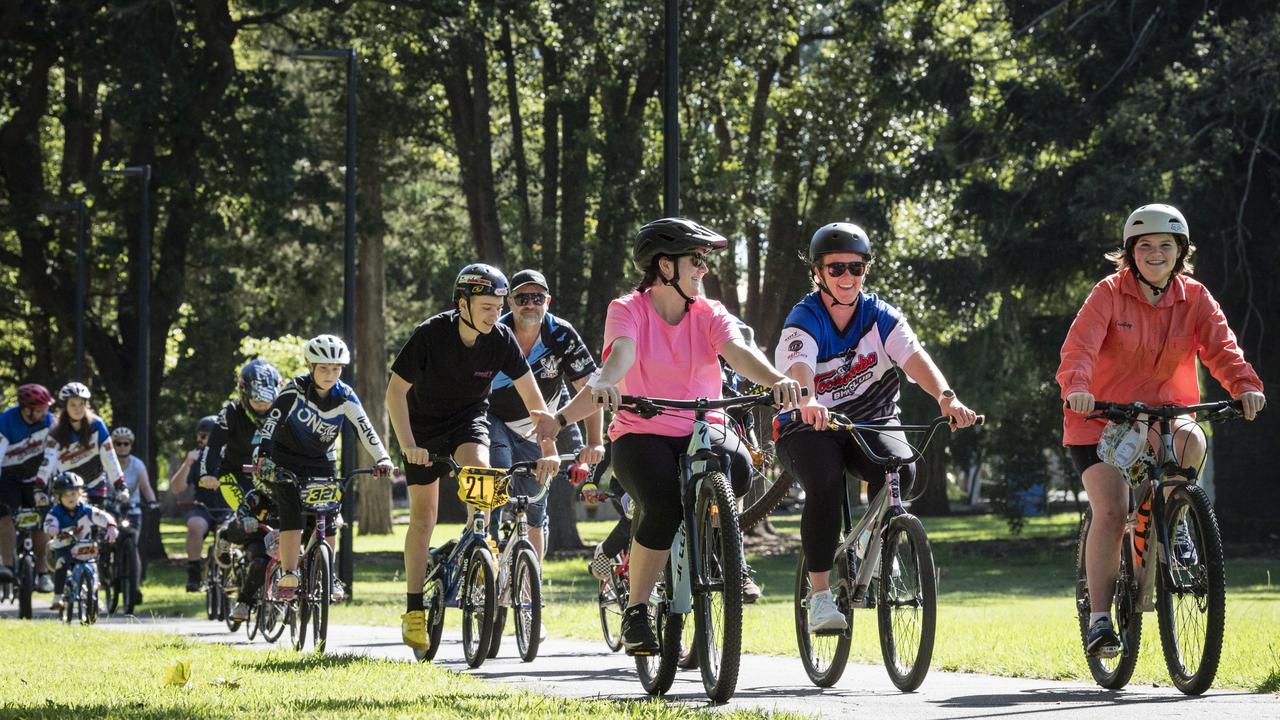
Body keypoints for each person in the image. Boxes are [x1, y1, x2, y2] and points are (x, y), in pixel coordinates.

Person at [546, 218, 804, 655]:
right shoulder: (627, 309)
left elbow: (738, 352)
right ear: (665, 266)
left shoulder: (709, 312)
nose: (704, 269)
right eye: (696, 260)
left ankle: (718, 553)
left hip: (704, 428)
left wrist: (777, 379)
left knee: (739, 468)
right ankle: (637, 611)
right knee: (662, 505)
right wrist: (606, 385)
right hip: (640, 432)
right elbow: (620, 355)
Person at [1057, 203, 1265, 658]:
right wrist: (1077, 388)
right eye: (1145, 246)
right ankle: (1099, 619)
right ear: (1131, 252)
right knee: (1111, 512)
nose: (1155, 253)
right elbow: (1080, 350)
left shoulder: (1195, 297)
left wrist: (1245, 385)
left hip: (1165, 415)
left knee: (1192, 439)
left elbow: (1223, 348)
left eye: (1165, 246)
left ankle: (1177, 516)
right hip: (1101, 420)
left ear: (1180, 251)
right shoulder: (1108, 294)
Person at [772, 222, 977, 634]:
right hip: (808, 426)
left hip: (870, 420)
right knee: (826, 483)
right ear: (817, 273)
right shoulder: (804, 317)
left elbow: (914, 357)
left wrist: (946, 397)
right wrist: (809, 400)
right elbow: (799, 367)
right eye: (836, 269)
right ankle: (822, 597)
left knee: (905, 469)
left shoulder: (880, 315)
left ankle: (875, 539)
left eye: (856, 267)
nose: (848, 277)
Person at [386, 263, 561, 655]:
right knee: (424, 517)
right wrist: (409, 443)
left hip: (468, 420)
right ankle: (415, 609)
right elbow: (395, 393)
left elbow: (534, 399)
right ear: (462, 303)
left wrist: (548, 446)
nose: (495, 314)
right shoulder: (431, 334)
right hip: (423, 428)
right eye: (486, 306)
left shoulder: (500, 337)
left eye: (499, 305)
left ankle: (477, 544)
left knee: (482, 474)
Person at [256, 334, 394, 601]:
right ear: (310, 366)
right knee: (292, 512)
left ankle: (327, 574)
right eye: (323, 368)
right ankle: (289, 573)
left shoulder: (345, 396)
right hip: (287, 460)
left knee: (329, 516)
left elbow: (366, 430)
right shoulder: (294, 390)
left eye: (336, 369)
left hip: (322, 461)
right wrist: (264, 457)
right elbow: (271, 425)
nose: (330, 374)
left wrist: (383, 459)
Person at [486, 268, 605, 558]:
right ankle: (484, 555)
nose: (530, 304)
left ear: (547, 301)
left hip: (538, 431)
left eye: (537, 297)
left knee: (535, 512)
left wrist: (594, 442)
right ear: (510, 302)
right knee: (498, 469)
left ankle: (528, 594)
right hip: (495, 420)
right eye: (522, 297)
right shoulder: (495, 334)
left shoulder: (561, 334)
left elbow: (589, 388)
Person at [0, 384, 56, 590]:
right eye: (40, 410)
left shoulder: (50, 422)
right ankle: (6, 567)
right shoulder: (5, 422)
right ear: (26, 410)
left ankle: (42, 573)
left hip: (36, 477)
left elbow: (55, 454)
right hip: (9, 478)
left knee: (40, 520)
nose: (45, 413)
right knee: (5, 516)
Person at [43, 470, 117, 609]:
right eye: (66, 495)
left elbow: (101, 515)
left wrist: (111, 525)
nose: (70, 497)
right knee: (61, 563)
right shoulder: (56, 512)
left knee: (93, 566)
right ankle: (57, 597)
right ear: (59, 497)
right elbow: (49, 523)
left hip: (84, 544)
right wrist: (53, 529)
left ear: (80, 493)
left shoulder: (86, 509)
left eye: (73, 493)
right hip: (64, 545)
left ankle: (93, 594)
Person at [167, 415, 222, 591]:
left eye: (204, 436)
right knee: (195, 525)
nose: (199, 440)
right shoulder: (196, 459)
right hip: (204, 508)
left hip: (228, 509)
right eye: (198, 435)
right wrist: (188, 463)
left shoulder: (231, 455)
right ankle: (194, 573)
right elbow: (176, 488)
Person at [110, 426, 155, 604]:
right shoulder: (107, 463)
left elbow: (146, 486)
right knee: (107, 543)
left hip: (132, 509)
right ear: (112, 445)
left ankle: (134, 586)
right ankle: (106, 572)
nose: (122, 446)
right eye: (118, 443)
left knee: (132, 544)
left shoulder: (137, 465)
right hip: (111, 509)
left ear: (131, 445)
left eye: (125, 443)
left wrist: (151, 502)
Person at [221, 485, 279, 622]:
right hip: (258, 538)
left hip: (288, 540)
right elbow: (242, 511)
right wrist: (246, 519)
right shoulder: (257, 496)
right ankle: (243, 603)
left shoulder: (299, 495)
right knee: (260, 563)